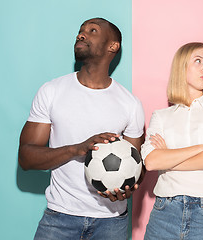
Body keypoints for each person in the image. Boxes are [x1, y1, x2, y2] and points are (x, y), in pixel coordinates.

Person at [18, 18, 145, 240]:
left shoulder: (130, 104)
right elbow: (26, 158)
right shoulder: (52, 91)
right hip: (60, 217)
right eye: (80, 31)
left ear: (112, 46)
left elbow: (138, 167)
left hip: (112, 223)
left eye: (92, 30)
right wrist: (76, 149)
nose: (81, 35)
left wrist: (128, 187)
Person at [141, 42, 203, 240]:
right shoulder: (161, 116)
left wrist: (169, 158)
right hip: (165, 212)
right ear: (181, 67)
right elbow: (151, 162)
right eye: (198, 61)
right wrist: (201, 148)